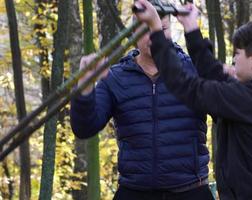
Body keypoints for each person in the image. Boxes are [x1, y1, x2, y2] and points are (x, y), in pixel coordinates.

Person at [134, 0, 252, 199]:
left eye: (237, 53)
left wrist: (157, 31)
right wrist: (191, 28)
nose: (233, 59)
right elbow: (213, 74)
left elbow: (185, 86)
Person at [70, 15, 214, 200]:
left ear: (170, 31)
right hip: (134, 191)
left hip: (191, 190)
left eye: (162, 29)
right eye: (146, 30)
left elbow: (226, 113)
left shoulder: (194, 70)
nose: (154, 36)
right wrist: (85, 85)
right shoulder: (115, 77)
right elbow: (84, 128)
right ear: (133, 34)